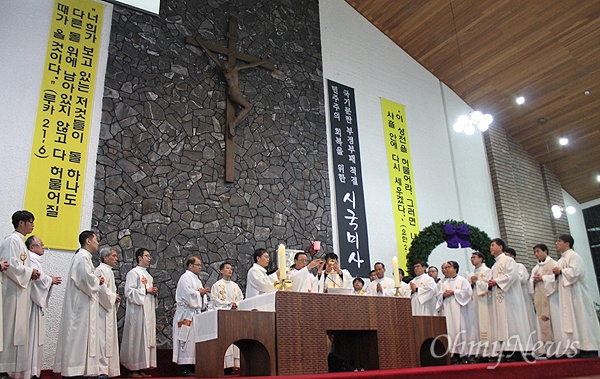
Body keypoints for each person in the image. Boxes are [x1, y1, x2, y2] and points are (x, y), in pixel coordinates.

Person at [54, 230, 104, 379]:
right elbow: (84, 280)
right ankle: (73, 372)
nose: (98, 243)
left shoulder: (85, 257)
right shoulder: (82, 257)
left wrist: (94, 279)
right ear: (88, 241)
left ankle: (80, 371)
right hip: (79, 308)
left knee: (81, 339)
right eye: (96, 240)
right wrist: (97, 280)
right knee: (77, 338)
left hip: (84, 306)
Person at [0, 211, 40, 379]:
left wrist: (30, 273)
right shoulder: (11, 241)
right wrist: (30, 272)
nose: (32, 225)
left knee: (17, 331)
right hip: (11, 293)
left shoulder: (21, 243)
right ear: (21, 223)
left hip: (20, 292)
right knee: (9, 330)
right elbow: (10, 265)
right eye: (30, 222)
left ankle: (12, 371)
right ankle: (3, 369)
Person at [550, 234, 600, 357]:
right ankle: (576, 347)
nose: (556, 243)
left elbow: (576, 273)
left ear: (567, 243)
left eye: (559, 241)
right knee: (571, 320)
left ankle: (589, 348)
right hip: (566, 295)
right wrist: (556, 275)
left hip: (577, 294)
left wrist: (561, 271)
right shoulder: (561, 260)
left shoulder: (574, 256)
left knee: (581, 318)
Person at [487, 238, 534, 359]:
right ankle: (506, 349)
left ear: (501, 247)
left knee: (512, 320)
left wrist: (496, 281)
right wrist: (491, 283)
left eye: (493, 245)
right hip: (499, 297)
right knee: (502, 322)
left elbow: (512, 276)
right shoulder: (495, 264)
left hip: (510, 297)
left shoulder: (508, 260)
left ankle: (518, 350)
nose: (491, 248)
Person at [26, 236, 61, 379]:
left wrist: (48, 280)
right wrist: (50, 280)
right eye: (39, 245)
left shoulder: (34, 258)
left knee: (35, 338)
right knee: (31, 337)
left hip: (34, 304)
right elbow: (38, 278)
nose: (43, 246)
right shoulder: (31, 258)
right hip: (31, 305)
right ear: (31, 248)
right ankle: (30, 371)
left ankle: (33, 370)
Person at [120, 248, 157, 377]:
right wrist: (146, 291)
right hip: (137, 312)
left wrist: (153, 293)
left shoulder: (148, 275)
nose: (149, 258)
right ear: (139, 258)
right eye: (147, 255)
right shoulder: (133, 273)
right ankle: (132, 369)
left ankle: (141, 367)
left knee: (144, 340)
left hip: (147, 312)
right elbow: (129, 292)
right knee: (136, 339)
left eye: (149, 255)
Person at [173, 256, 209, 377]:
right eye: (198, 265)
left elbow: (200, 295)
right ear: (190, 266)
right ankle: (184, 367)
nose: (200, 267)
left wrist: (202, 294)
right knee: (186, 340)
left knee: (194, 341)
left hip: (195, 314)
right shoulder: (185, 277)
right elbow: (187, 295)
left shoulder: (197, 279)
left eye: (200, 265)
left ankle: (192, 365)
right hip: (186, 314)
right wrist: (200, 293)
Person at [437, 261, 478, 363]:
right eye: (445, 268)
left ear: (455, 269)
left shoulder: (462, 280)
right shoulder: (443, 283)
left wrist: (454, 292)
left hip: (461, 311)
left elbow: (468, 293)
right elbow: (438, 296)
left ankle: (466, 355)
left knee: (462, 331)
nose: (446, 269)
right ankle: (454, 354)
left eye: (449, 267)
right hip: (448, 311)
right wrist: (443, 295)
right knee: (450, 331)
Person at [211, 262, 244, 373]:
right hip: (224, 316)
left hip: (235, 315)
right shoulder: (217, 285)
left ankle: (233, 365)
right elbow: (215, 300)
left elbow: (241, 298)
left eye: (231, 268)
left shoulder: (235, 286)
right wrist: (229, 304)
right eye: (227, 268)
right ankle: (225, 365)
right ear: (221, 271)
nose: (230, 270)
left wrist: (236, 304)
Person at [528, 243, 560, 357]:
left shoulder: (554, 264)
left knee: (554, 322)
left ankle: (558, 349)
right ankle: (547, 350)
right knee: (542, 321)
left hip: (552, 298)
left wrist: (543, 278)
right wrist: (533, 282)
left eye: (538, 251)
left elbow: (557, 279)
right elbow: (530, 283)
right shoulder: (535, 268)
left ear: (545, 251)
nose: (536, 254)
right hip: (540, 298)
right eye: (534, 252)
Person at [95, 247, 121, 378]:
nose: (116, 259)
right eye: (114, 256)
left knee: (108, 341)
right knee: (102, 341)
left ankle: (108, 370)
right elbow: (101, 289)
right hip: (102, 311)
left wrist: (114, 297)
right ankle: (101, 371)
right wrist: (112, 297)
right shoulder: (101, 270)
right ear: (106, 257)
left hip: (108, 311)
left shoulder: (108, 271)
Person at [504, 248, 537, 336]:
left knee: (525, 317)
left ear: (513, 257)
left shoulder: (519, 266)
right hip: (511, 297)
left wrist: (509, 277)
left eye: (506, 255)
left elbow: (523, 278)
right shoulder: (503, 268)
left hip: (522, 296)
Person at [468, 251, 493, 358]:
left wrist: (477, 282)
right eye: (471, 258)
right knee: (476, 324)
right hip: (475, 301)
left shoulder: (487, 270)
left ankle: (490, 352)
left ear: (481, 259)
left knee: (485, 323)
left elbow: (489, 285)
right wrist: (472, 283)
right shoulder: (471, 273)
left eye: (474, 257)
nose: (472, 259)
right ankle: (479, 352)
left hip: (485, 301)